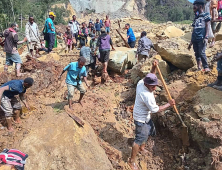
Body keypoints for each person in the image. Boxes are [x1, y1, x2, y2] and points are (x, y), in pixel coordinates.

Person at [128, 61, 175, 170]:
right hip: (140, 119)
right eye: (153, 87)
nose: (155, 88)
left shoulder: (141, 82)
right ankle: (132, 161)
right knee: (138, 140)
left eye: (156, 86)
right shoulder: (146, 95)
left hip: (146, 116)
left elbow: (151, 75)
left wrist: (153, 67)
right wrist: (169, 104)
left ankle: (142, 148)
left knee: (150, 130)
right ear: (147, 85)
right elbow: (156, 109)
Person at [188, 0, 211, 72]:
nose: (193, 8)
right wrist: (191, 42)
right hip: (195, 38)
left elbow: (208, 25)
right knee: (197, 53)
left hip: (201, 37)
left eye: (195, 6)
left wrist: (206, 36)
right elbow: (194, 30)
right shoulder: (196, 18)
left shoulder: (205, 15)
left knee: (202, 52)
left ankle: (206, 67)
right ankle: (199, 67)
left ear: (200, 6)